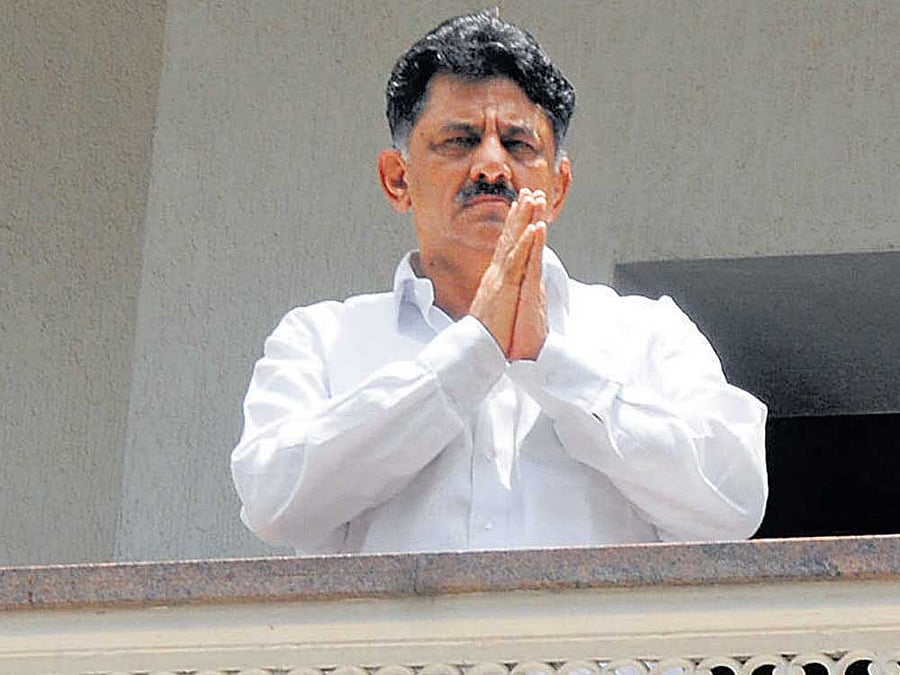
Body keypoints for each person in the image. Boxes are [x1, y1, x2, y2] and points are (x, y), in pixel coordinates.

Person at [231, 10, 768, 555]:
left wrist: (549, 364)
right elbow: (273, 503)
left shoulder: (649, 333)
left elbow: (733, 502)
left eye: (518, 144)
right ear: (398, 179)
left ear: (558, 188)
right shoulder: (320, 339)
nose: (491, 167)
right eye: (459, 141)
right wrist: (470, 354)